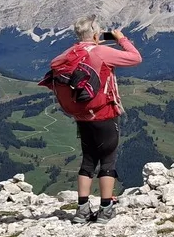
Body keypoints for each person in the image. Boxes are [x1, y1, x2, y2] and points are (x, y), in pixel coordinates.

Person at [49, 14, 143, 224]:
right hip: (104, 113)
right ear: (95, 33)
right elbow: (136, 58)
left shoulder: (70, 52)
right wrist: (121, 39)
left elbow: (55, 66)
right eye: (99, 32)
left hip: (82, 115)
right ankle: (105, 209)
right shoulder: (101, 51)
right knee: (108, 161)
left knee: (88, 160)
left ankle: (82, 210)